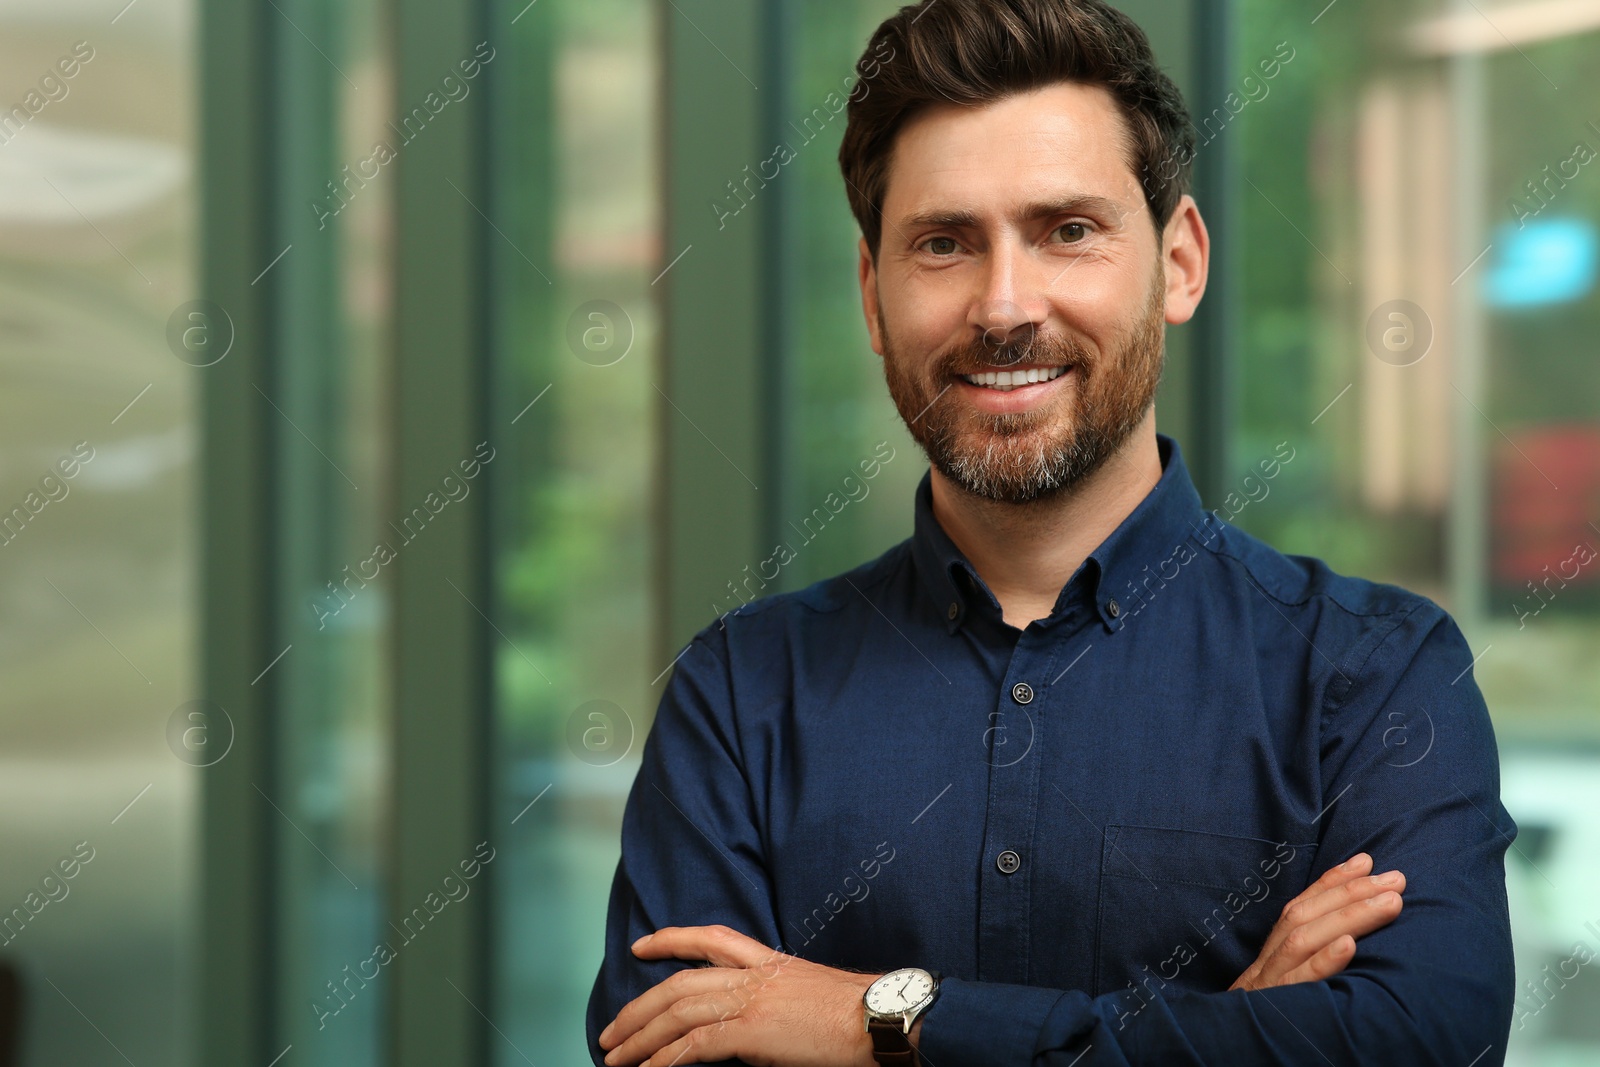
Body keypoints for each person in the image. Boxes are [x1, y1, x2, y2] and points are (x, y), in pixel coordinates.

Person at [589, 1, 1516, 1064]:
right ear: (872, 295)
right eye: (943, 243)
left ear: (1178, 261)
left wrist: (876, 1021)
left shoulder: (1376, 679)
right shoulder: (742, 693)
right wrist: (1233, 1027)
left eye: (1066, 231)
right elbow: (659, 1046)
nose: (1004, 304)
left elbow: (1420, 1044)